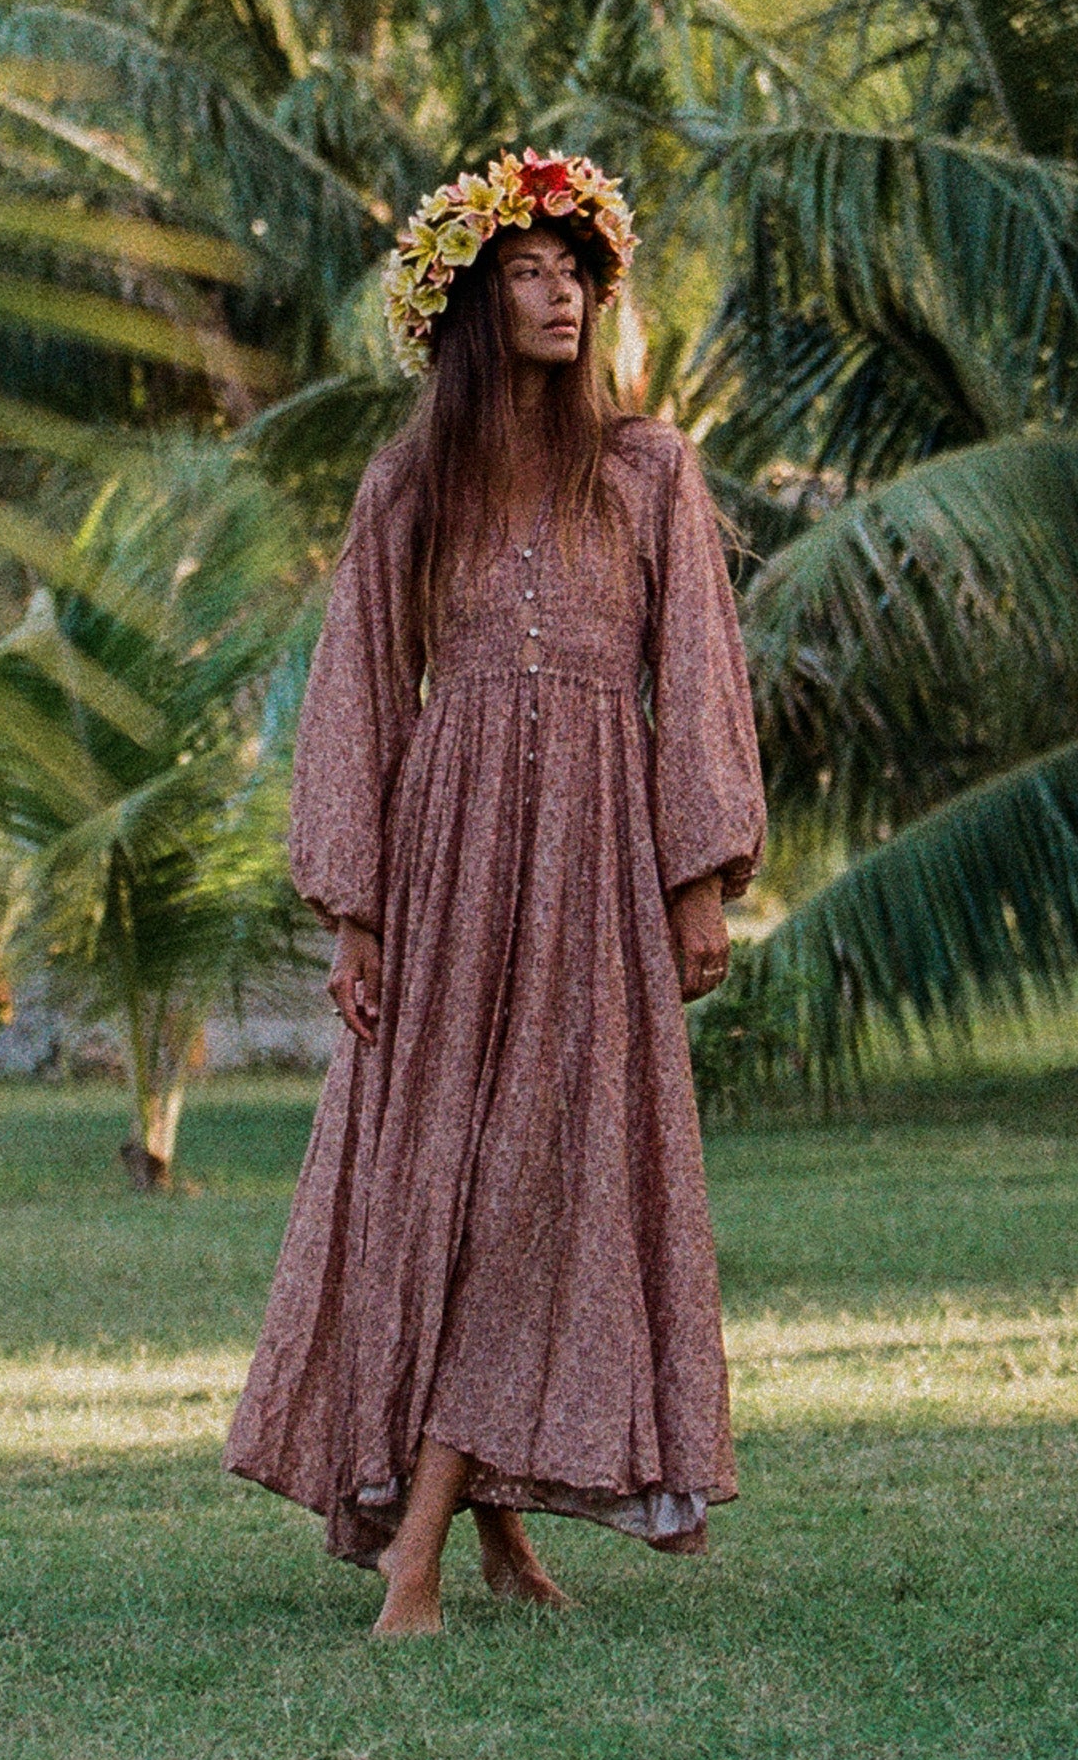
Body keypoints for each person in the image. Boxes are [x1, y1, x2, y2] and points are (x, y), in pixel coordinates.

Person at [223, 151, 763, 1638]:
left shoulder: (649, 469)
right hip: (453, 855)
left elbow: (701, 678)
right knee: (450, 1177)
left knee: (550, 1171)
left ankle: (441, 1534)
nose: (563, 295)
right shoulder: (414, 478)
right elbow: (356, 690)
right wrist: (359, 906)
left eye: (578, 272)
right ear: (470, 301)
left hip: (593, 857)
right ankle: (467, 1536)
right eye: (528, 271)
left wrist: (699, 880)